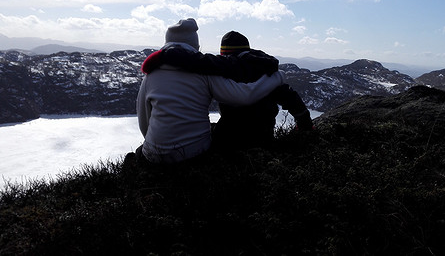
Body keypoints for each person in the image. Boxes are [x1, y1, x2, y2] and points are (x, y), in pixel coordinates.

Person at [134, 18, 286, 164]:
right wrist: (277, 77)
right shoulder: (205, 73)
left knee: (138, 154)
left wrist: (157, 146)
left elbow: (144, 122)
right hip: (196, 153)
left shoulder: (150, 76)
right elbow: (246, 96)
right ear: (195, 46)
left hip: (156, 155)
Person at [143, 30, 313, 150]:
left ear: (226, 55)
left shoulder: (229, 67)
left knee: (205, 134)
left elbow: (202, 61)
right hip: (264, 134)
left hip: (231, 136)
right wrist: (304, 123)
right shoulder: (265, 69)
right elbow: (290, 97)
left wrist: (167, 54)